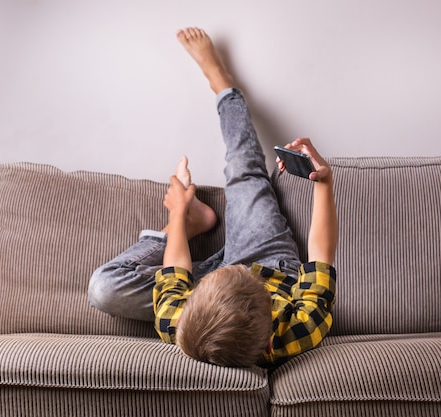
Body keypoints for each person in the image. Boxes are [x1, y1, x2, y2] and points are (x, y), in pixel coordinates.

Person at [88, 27, 338, 368]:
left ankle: (194, 223)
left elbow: (177, 273)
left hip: (210, 291)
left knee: (104, 288)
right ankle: (223, 85)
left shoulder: (177, 322)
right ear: (269, 339)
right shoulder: (299, 329)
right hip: (268, 259)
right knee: (243, 170)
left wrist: (177, 214)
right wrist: (324, 182)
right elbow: (320, 256)